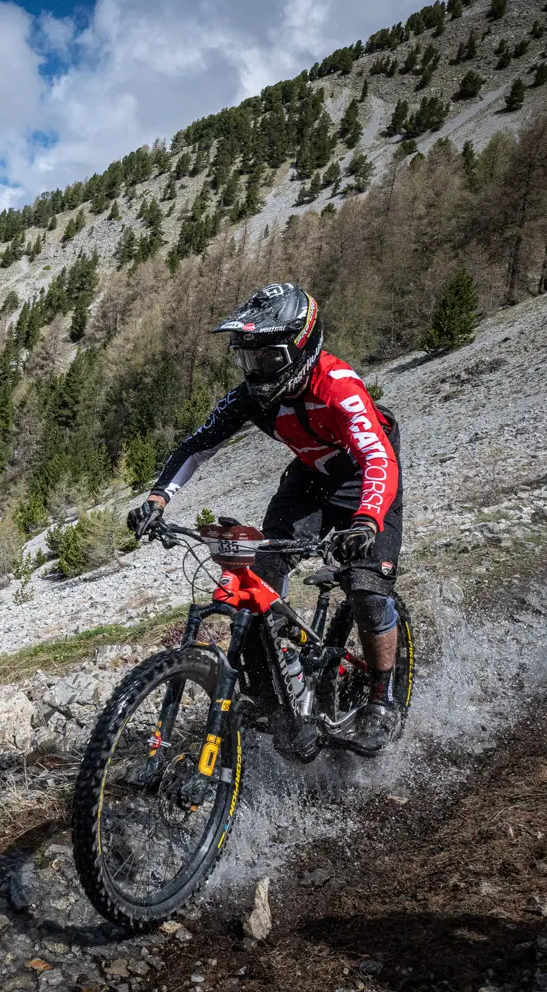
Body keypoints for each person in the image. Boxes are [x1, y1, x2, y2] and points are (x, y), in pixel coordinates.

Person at [126, 283, 404, 756]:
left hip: (365, 476)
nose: (255, 371)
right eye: (246, 358)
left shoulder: (338, 388)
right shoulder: (250, 398)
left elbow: (379, 458)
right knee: (258, 577)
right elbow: (197, 445)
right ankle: (277, 694)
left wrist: (367, 522)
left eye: (266, 358)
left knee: (365, 587)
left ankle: (382, 698)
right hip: (310, 474)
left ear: (300, 347)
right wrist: (157, 500)